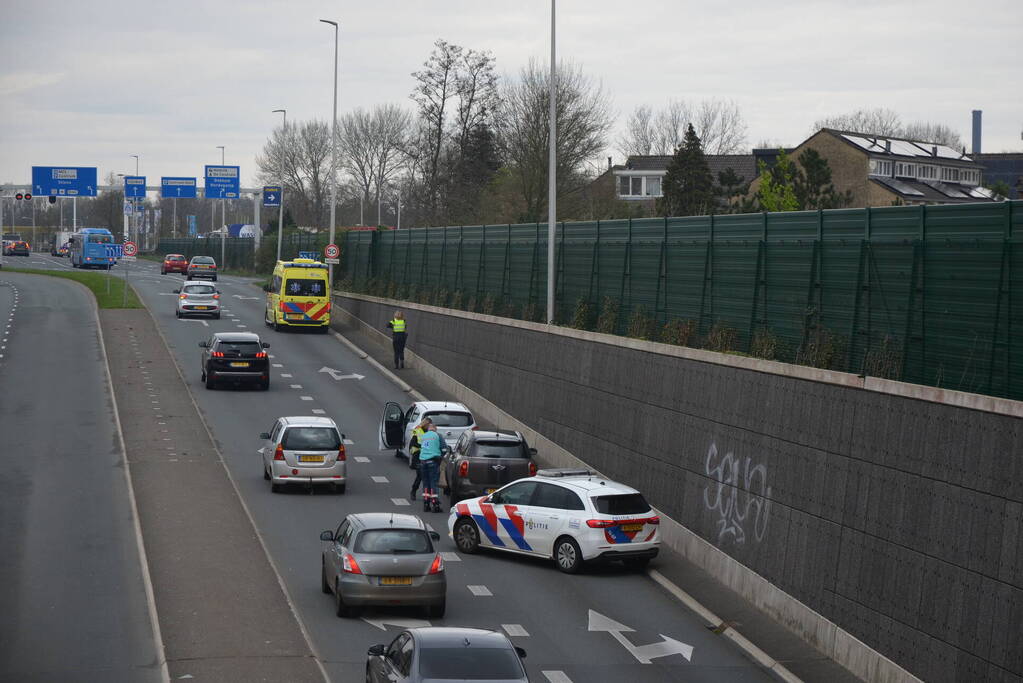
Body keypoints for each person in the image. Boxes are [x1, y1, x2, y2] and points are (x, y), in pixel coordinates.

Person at [417, 424, 446, 513]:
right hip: (433, 461)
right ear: (435, 429)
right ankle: (435, 504)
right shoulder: (438, 435)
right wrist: (441, 457)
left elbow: (422, 447)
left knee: (426, 483)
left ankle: (426, 503)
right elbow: (444, 449)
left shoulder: (424, 436)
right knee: (433, 482)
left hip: (422, 461)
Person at [407, 417, 432, 501]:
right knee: (420, 475)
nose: (429, 426)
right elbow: (413, 443)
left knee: (425, 476)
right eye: (428, 425)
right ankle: (414, 491)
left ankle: (427, 495)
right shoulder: (417, 430)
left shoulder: (430, 432)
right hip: (418, 456)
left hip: (427, 456)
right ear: (425, 424)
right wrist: (423, 447)